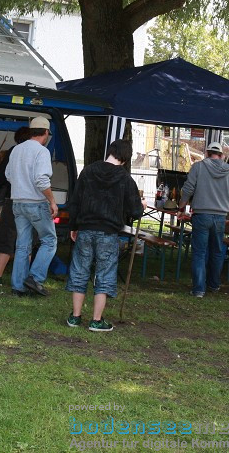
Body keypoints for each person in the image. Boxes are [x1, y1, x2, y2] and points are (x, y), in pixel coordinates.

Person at [65, 139, 144, 332]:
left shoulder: (88, 171)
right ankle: (96, 320)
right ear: (125, 158)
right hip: (108, 232)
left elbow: (75, 201)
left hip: (85, 228)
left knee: (80, 271)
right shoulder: (125, 179)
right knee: (105, 274)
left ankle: (75, 317)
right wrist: (141, 205)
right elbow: (135, 211)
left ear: (110, 152)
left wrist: (73, 226)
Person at [178, 142, 229, 298]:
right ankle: (214, 285)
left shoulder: (198, 167)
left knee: (199, 252)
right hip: (220, 217)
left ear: (207, 153)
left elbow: (188, 188)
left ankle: (199, 289)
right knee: (218, 251)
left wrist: (181, 207)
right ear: (221, 155)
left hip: (201, 215)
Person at [5, 117, 57, 297]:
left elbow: (9, 175)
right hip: (36, 204)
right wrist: (52, 201)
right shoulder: (41, 152)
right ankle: (35, 278)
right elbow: (41, 180)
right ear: (46, 133)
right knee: (49, 241)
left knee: (22, 246)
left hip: (18, 202)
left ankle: (17, 287)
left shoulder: (16, 150)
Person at [0, 126, 31, 286]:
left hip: (12, 200)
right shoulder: (38, 152)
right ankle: (24, 279)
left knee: (7, 239)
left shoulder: (13, 152)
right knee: (27, 241)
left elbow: (4, 175)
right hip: (33, 202)